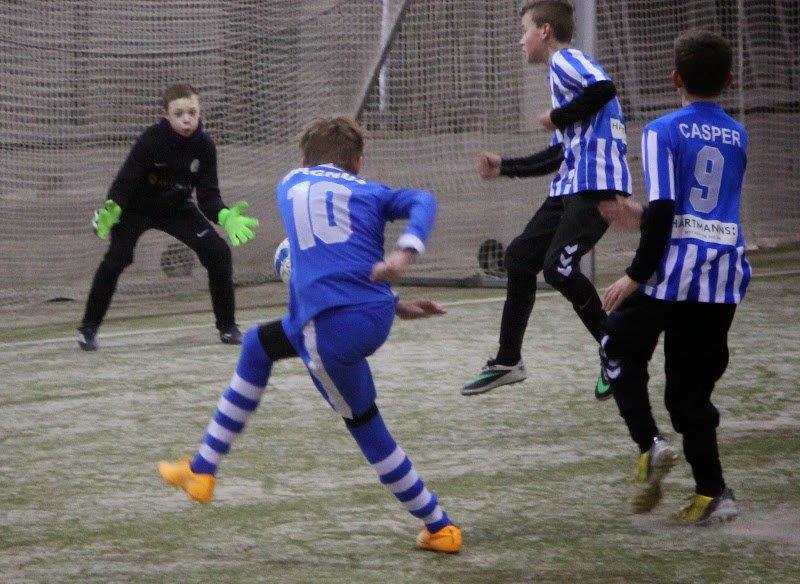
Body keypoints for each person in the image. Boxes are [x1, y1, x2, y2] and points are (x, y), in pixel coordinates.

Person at [158, 117, 462, 554]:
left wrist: (295, 262)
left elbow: (316, 254)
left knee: (365, 424)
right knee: (258, 345)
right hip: (370, 311)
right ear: (358, 162)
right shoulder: (370, 191)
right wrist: (403, 255)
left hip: (328, 326)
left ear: (303, 158)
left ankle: (439, 526)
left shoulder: (289, 183)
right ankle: (202, 468)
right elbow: (422, 200)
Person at [598, 29, 749, 524]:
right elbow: (701, 209)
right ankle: (713, 494)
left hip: (671, 274)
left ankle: (650, 443)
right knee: (689, 395)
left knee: (616, 345)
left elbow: (666, 211)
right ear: (729, 79)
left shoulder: (662, 130)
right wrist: (644, 214)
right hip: (722, 276)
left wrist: (634, 275)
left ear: (675, 78)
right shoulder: (738, 134)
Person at [461, 0, 632, 399]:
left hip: (595, 184)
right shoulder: (561, 82)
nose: (521, 41)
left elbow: (605, 88)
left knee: (558, 267)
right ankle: (508, 360)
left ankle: (617, 349)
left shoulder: (566, 61)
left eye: (525, 30)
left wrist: (558, 117)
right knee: (520, 258)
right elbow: (557, 155)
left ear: (545, 32)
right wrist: (505, 167)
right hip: (570, 185)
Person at [77, 83, 259, 351]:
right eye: (179, 113)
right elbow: (125, 181)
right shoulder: (151, 140)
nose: (187, 119)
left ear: (199, 112)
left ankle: (228, 327)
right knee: (118, 257)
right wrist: (113, 208)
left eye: (192, 112)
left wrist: (224, 215)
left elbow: (208, 196)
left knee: (218, 253)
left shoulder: (205, 146)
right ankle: (88, 328)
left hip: (176, 207)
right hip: (136, 209)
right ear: (165, 115)